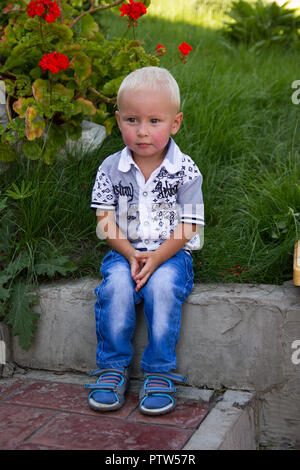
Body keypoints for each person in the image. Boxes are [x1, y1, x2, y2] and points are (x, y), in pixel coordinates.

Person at [85, 66, 204, 416]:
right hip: (124, 251)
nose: (142, 132)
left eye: (155, 121)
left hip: (171, 254)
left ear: (175, 123)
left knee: (163, 288)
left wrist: (156, 257)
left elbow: (190, 225)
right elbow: (105, 223)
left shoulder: (185, 170)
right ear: (118, 119)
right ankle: (111, 367)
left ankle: (159, 371)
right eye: (132, 120)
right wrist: (131, 254)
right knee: (116, 288)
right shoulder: (110, 168)